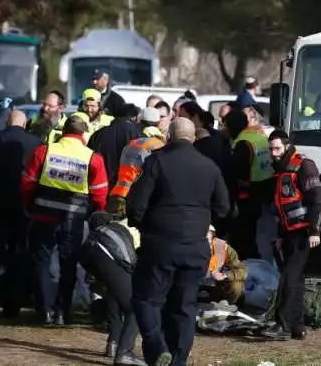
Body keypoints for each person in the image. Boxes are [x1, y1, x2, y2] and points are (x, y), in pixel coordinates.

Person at [127, 117, 231, 366]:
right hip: (196, 247)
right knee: (185, 307)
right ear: (193, 138)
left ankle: (156, 345)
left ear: (169, 137)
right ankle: (178, 361)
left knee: (146, 299)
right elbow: (224, 208)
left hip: (160, 244)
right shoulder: (209, 167)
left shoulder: (156, 161)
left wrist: (144, 226)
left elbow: (136, 205)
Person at [20, 114, 109, 325]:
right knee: (68, 265)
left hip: (43, 216)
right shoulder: (92, 158)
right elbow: (99, 194)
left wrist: (28, 206)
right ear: (83, 133)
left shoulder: (45, 151)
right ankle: (62, 312)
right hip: (73, 220)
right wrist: (96, 213)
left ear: (63, 131)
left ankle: (45, 311)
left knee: (41, 263)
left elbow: (27, 183)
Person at [261, 129, 321, 340]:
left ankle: (282, 323)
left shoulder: (303, 165)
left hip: (303, 232)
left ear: (288, 145)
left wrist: (314, 230)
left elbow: (318, 200)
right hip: (288, 233)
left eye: (277, 148)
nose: (274, 153)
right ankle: (298, 326)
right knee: (295, 279)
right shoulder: (280, 169)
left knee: (289, 276)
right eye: (271, 149)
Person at [0, 110, 41, 319]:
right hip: (24, 207)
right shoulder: (36, 142)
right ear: (25, 124)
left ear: (7, 122)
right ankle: (12, 305)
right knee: (19, 255)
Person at [81, 209, 145, 366]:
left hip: (90, 249)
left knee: (114, 296)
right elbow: (132, 261)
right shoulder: (141, 229)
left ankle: (114, 343)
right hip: (108, 251)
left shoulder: (117, 224)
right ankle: (125, 353)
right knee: (136, 306)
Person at [224, 107, 274, 261]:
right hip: (264, 187)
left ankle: (249, 260)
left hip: (248, 192)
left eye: (225, 125)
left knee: (244, 234)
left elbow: (238, 171)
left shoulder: (242, 142)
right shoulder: (259, 135)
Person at [109, 108, 166, 202]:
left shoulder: (132, 142)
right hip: (136, 196)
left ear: (138, 121)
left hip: (117, 193)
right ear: (158, 123)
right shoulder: (160, 144)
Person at [89, 103, 143, 190]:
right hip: (126, 189)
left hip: (99, 186)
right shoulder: (138, 134)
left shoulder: (99, 133)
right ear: (134, 117)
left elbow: (89, 159)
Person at [201, 226, 247, 305]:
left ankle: (226, 305)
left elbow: (242, 271)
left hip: (216, 286)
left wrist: (225, 275)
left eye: (208, 234)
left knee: (237, 285)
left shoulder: (224, 248)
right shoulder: (188, 246)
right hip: (192, 284)